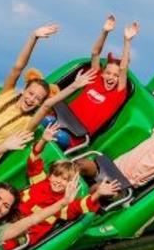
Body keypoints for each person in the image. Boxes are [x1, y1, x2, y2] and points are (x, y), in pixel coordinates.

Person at [0, 23, 96, 173]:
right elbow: (18, 67)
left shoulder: (28, 124)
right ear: (23, 90)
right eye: (30, 93)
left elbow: (48, 105)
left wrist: (75, 86)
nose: (31, 99)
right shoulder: (6, 94)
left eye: (37, 99)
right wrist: (33, 37)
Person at [2, 123, 121, 250]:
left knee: (5, 244)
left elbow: (80, 206)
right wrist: (43, 140)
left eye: (65, 180)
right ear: (51, 174)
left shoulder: (64, 202)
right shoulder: (40, 180)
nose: (59, 181)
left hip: (21, 235)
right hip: (6, 216)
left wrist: (98, 193)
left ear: (71, 184)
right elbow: (34, 160)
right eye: (57, 176)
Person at [42, 14, 140, 149]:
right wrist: (105, 32)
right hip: (58, 120)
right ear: (103, 74)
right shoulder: (95, 79)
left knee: (57, 137)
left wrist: (127, 41)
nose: (111, 77)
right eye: (108, 73)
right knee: (44, 120)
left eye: (116, 76)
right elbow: (95, 52)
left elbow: (123, 68)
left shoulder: (118, 94)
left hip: (74, 136)